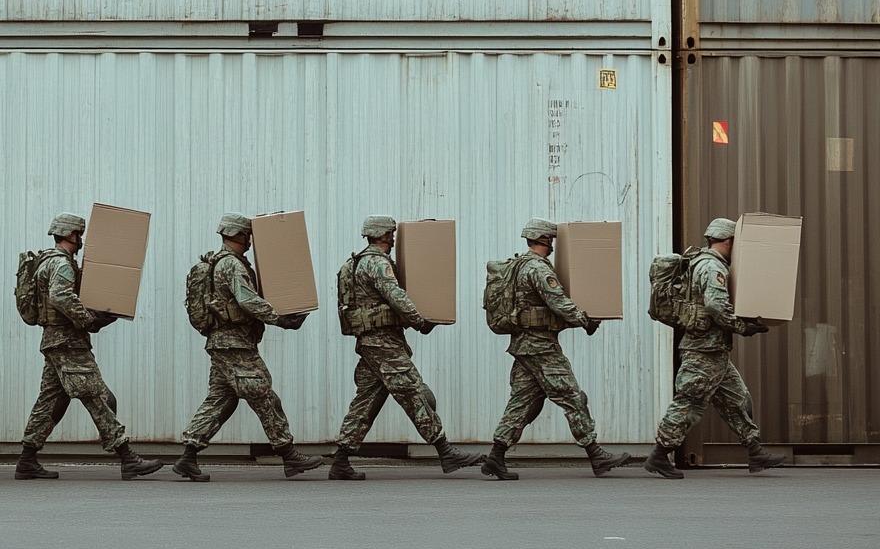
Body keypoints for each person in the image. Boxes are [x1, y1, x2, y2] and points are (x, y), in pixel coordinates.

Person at [329, 215, 483, 480]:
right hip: (384, 344)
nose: (392, 238)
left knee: (366, 402)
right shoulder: (377, 262)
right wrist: (419, 321)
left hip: (370, 342)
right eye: (390, 233)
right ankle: (445, 451)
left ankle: (340, 461)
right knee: (414, 393)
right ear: (380, 234)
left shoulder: (355, 263)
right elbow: (396, 296)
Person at [172, 213, 322, 482]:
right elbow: (247, 300)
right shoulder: (232, 265)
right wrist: (280, 318)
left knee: (220, 402)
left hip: (223, 343)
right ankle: (289, 455)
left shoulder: (219, 262)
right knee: (264, 395)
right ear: (239, 235)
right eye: (247, 235)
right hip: (234, 344)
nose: (250, 240)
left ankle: (187, 457)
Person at [14, 212, 163, 481]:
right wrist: (89, 320)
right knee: (97, 398)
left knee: (50, 402)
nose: (81, 239)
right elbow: (60, 295)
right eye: (79, 235)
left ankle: (27, 460)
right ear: (71, 235)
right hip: (68, 343)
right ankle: (127, 457)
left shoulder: (46, 262)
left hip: (55, 341)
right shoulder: (62, 264)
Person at [480, 218, 629, 480]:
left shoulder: (517, 265)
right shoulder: (538, 269)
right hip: (541, 348)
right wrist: (584, 320)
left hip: (526, 345)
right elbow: (557, 301)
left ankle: (495, 457)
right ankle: (596, 455)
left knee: (522, 403)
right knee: (572, 396)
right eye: (551, 241)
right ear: (545, 240)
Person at [644, 218, 784, 479]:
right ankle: (659, 455)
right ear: (728, 242)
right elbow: (715, 305)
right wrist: (743, 327)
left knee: (737, 399)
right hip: (702, 350)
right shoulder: (711, 266)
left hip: (714, 350)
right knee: (688, 402)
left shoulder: (700, 262)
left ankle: (755, 451)